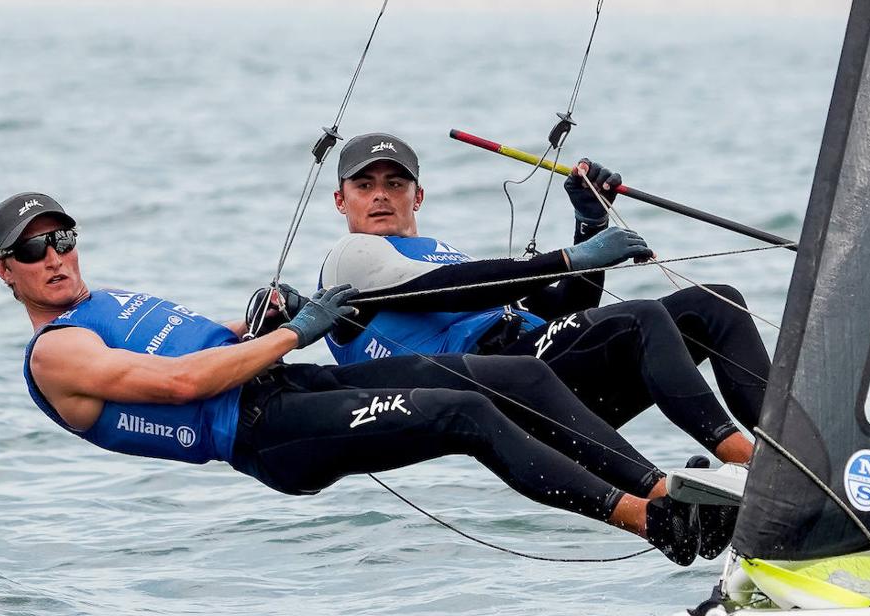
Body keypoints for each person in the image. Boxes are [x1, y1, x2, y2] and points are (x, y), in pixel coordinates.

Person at [0, 192, 706, 565]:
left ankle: (663, 489)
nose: (56, 257)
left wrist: (269, 321)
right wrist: (299, 333)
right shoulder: (56, 353)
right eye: (33, 250)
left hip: (283, 390)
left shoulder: (107, 302)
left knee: (494, 373)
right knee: (462, 414)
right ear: (5, 271)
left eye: (64, 238)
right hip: (266, 437)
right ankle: (647, 521)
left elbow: (217, 348)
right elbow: (183, 385)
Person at [300, 133, 771, 475]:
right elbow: (457, 288)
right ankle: (749, 464)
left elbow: (566, 316)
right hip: (499, 387)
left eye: (395, 184)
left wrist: (588, 225)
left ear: (417, 196)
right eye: (364, 185)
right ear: (341, 201)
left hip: (561, 384)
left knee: (715, 305)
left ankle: (784, 451)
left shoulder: (444, 252)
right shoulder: (352, 256)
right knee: (641, 317)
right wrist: (567, 258)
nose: (381, 194)